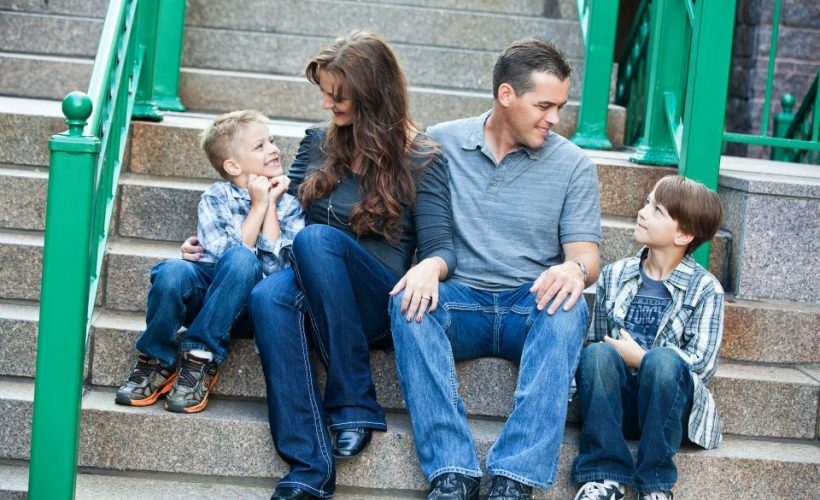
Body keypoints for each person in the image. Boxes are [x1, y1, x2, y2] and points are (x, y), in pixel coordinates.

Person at [179, 31, 456, 499]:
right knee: (269, 295)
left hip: (374, 298)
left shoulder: (421, 157)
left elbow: (442, 246)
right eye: (324, 93)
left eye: (337, 95)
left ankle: (354, 399)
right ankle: (308, 470)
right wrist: (214, 244)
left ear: (371, 93)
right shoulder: (317, 143)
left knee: (315, 238)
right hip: (308, 285)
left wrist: (432, 267)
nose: (327, 104)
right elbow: (274, 203)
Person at [390, 39, 601, 500]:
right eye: (543, 106)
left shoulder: (574, 165)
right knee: (407, 301)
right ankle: (452, 471)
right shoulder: (442, 143)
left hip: (530, 304)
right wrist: (424, 267)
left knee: (569, 309)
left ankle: (514, 478)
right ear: (506, 95)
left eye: (560, 107)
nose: (554, 119)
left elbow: (587, 256)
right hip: (460, 302)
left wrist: (574, 270)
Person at [116, 110, 304, 414]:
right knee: (172, 270)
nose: (273, 149)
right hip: (212, 297)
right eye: (260, 146)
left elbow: (278, 271)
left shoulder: (290, 204)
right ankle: (156, 360)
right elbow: (220, 252)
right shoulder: (216, 197)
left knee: (243, 259)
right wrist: (258, 206)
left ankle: (199, 358)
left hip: (250, 309)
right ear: (233, 165)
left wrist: (269, 205)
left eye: (271, 141)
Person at [572, 175, 724, 500]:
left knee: (664, 361)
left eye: (657, 210)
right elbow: (598, 339)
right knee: (596, 354)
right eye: (646, 203)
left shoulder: (705, 289)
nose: (642, 212)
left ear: (683, 234)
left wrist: (642, 359)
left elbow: (702, 365)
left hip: (669, 410)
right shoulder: (615, 275)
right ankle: (604, 476)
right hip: (620, 406)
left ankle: (655, 486)